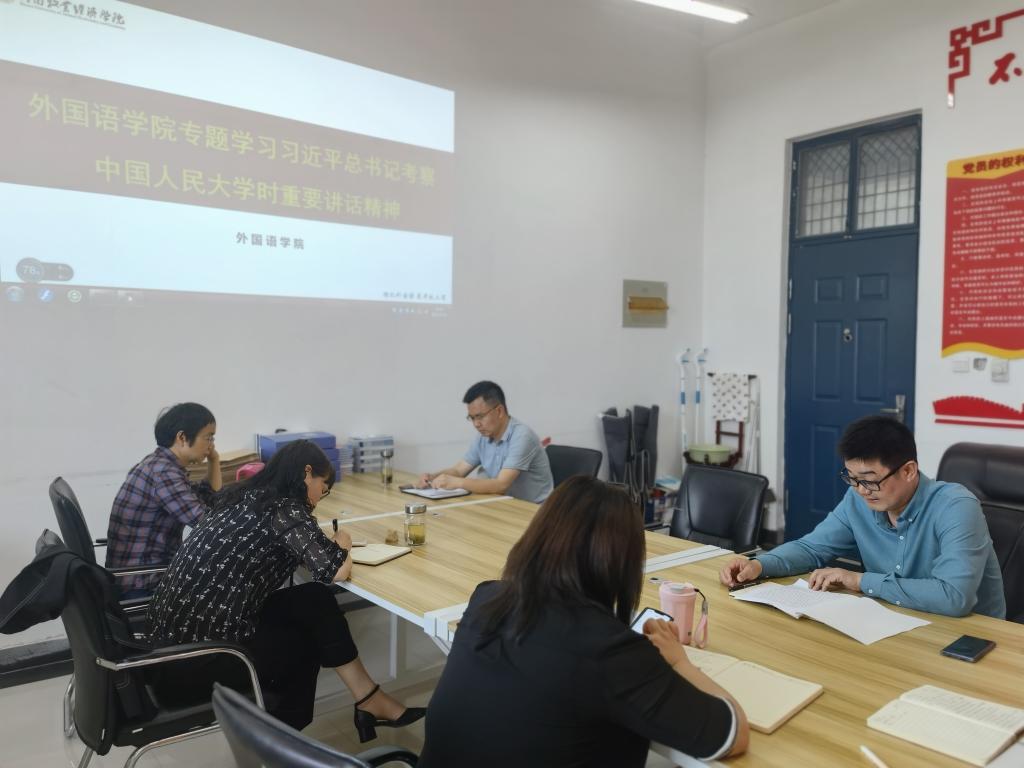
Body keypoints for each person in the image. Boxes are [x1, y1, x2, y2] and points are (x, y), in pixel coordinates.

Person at [418, 476, 748, 768]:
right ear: (622, 562)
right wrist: (679, 661)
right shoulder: (609, 650)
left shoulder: (487, 598)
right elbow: (733, 735)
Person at [146, 439, 426, 736]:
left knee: (313, 599)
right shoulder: (284, 509)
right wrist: (343, 543)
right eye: (323, 487)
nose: (320, 498)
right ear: (307, 473)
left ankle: (368, 699)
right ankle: (280, 739)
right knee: (306, 637)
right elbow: (338, 571)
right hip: (199, 661)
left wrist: (316, 547)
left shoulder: (242, 496)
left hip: (167, 647)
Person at [719, 415, 1005, 618]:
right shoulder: (858, 500)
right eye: (852, 478)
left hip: (970, 641)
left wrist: (859, 581)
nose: (861, 490)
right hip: (895, 622)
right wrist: (759, 565)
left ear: (908, 471)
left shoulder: (956, 506)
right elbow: (811, 548)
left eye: (869, 480)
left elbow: (954, 597)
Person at [106, 402, 221, 597]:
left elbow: (207, 495)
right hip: (142, 584)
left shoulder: (158, 464)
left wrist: (214, 460)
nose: (211, 445)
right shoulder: (164, 474)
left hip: (138, 576)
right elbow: (207, 524)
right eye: (208, 437)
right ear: (182, 437)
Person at [418, 380, 553, 503]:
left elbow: (501, 485)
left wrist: (458, 483)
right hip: (503, 505)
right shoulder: (483, 436)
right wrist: (433, 477)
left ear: (499, 411)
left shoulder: (522, 436)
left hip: (534, 511)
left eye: (480, 416)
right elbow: (458, 470)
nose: (476, 424)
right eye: (472, 418)